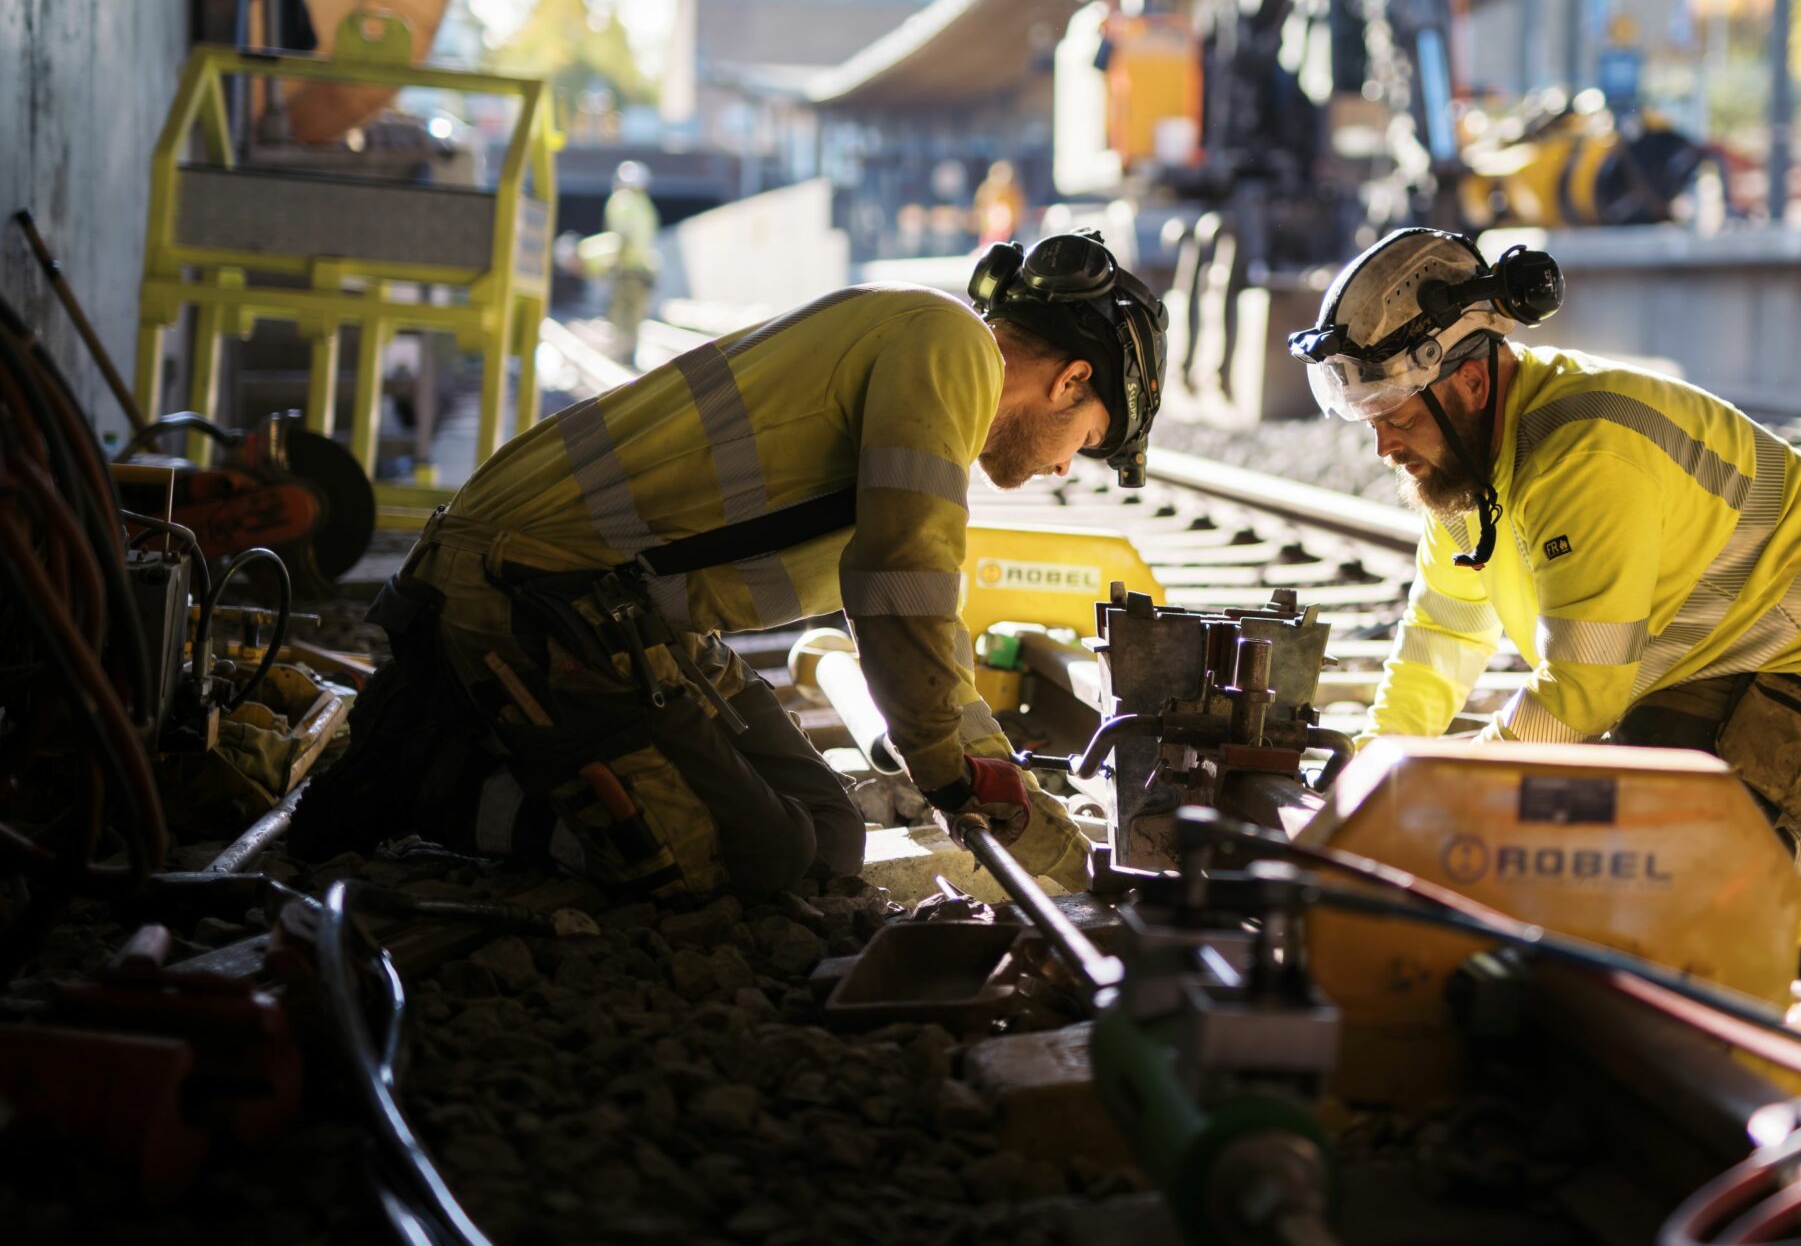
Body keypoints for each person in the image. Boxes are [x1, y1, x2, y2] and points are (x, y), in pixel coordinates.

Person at [294, 232, 1167, 900]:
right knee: (735, 860)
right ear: (1069, 381)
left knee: (827, 837)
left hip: (625, 612)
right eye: (1086, 440)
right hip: (527, 587)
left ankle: (498, 743)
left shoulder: (930, 356)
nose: (1063, 465)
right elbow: (903, 586)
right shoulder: (950, 349)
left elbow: (913, 626)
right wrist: (949, 771)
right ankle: (427, 783)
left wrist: (1048, 837)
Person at [1289, 228, 1801, 901]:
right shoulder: (1464, 465)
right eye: (1371, 421)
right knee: (1589, 807)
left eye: (1395, 417)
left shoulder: (1584, 454)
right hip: (1717, 651)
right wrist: (1371, 771)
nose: (1383, 446)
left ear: (1468, 381)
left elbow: (1583, 691)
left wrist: (1453, 793)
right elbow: (1444, 633)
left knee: (1639, 864)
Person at [603, 160, 661, 359]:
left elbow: (622, 236)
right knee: (635, 315)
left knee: (619, 311)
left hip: (625, 269)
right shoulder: (646, 205)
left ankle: (620, 353)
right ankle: (629, 353)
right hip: (643, 270)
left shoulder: (621, 201)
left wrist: (613, 261)